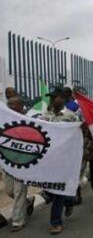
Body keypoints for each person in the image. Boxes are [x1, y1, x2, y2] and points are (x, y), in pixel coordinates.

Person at [40, 87, 78, 235]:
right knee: (50, 190)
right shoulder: (44, 116)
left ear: (64, 99)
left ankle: (56, 222)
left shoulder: (71, 116)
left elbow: (78, 133)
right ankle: (70, 201)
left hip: (64, 159)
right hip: (49, 159)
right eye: (52, 97)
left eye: (57, 96)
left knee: (58, 189)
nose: (54, 99)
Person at [4, 96, 35, 232]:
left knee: (19, 191)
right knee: (9, 191)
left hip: (22, 162)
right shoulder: (4, 119)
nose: (9, 106)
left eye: (12, 104)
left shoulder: (29, 120)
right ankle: (28, 202)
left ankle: (18, 221)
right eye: (8, 103)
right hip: (7, 161)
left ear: (21, 106)